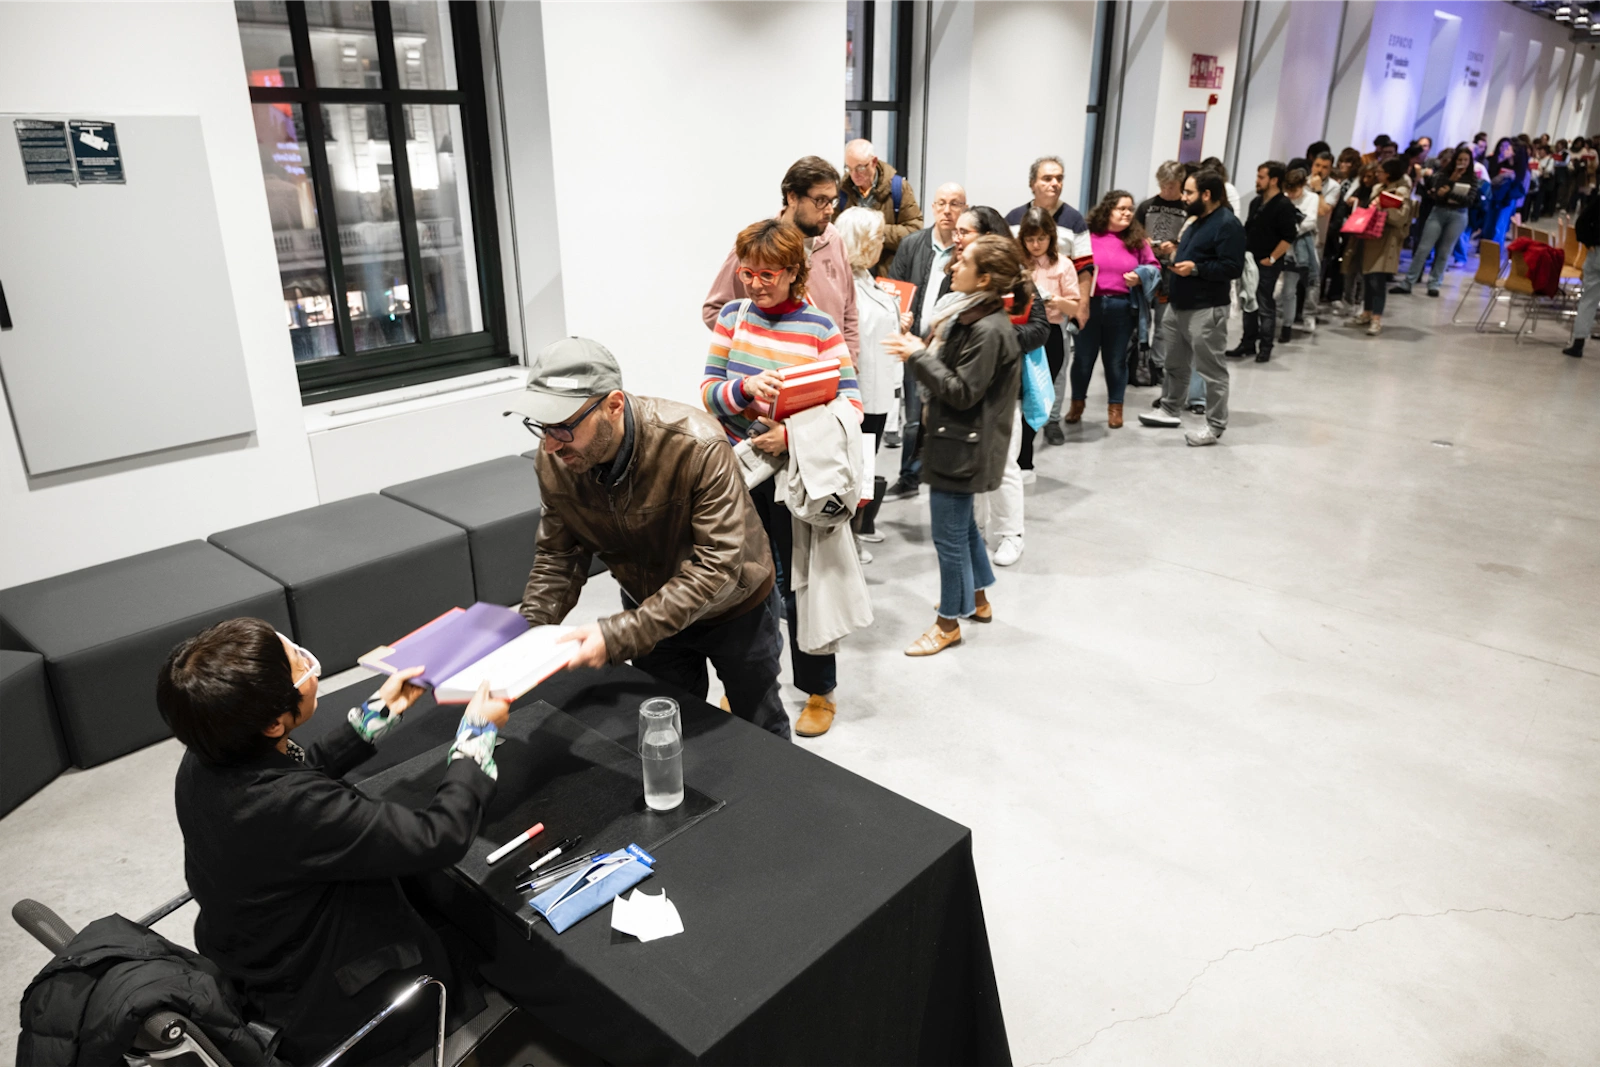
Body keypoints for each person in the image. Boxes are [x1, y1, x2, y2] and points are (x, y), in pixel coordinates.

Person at [163, 620, 510, 1065]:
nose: (309, 667)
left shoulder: (205, 758)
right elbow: (438, 837)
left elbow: (293, 776)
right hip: (334, 998)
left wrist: (371, 719)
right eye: (296, 669)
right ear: (273, 722)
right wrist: (476, 741)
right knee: (472, 925)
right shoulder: (291, 808)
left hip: (255, 961)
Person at [506, 337, 790, 738]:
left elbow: (717, 566)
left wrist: (618, 635)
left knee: (761, 726)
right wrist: (527, 634)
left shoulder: (697, 444)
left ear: (614, 405)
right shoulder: (556, 459)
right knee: (672, 730)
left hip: (735, 608)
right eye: (542, 427)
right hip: (649, 611)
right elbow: (559, 556)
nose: (550, 444)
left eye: (563, 427)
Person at [701, 220, 862, 738]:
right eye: (747, 272)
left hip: (794, 476)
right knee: (746, 586)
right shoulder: (733, 316)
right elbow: (707, 392)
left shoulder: (819, 328)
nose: (754, 283)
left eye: (767, 274)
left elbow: (851, 405)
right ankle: (751, 683)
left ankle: (818, 691)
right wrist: (745, 389)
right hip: (738, 472)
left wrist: (790, 437)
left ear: (794, 272)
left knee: (800, 586)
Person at [882, 235, 1026, 656]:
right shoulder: (971, 316)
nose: (952, 267)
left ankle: (948, 623)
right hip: (959, 442)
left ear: (984, 278)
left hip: (963, 447)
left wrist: (916, 356)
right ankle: (978, 601)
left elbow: (962, 392)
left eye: (962, 263)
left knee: (948, 539)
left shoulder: (986, 329)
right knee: (962, 529)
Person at [702, 156, 858, 362]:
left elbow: (850, 311)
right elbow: (714, 311)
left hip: (827, 378)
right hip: (772, 382)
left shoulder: (834, 240)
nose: (829, 210)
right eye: (820, 201)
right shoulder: (758, 245)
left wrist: (850, 362)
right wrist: (760, 350)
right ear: (792, 197)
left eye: (832, 201)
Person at [1141, 168, 1246, 447]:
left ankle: (1214, 425)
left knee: (1211, 370)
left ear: (1207, 194)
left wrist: (1196, 269)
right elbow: (1194, 252)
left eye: (1189, 192)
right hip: (1179, 305)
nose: (1184, 197)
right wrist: (1173, 252)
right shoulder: (1196, 219)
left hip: (1207, 309)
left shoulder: (1227, 224)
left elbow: (1232, 267)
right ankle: (1169, 408)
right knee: (1174, 363)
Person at [885, 182, 967, 500]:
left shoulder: (965, 250)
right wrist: (899, 316)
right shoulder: (912, 244)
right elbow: (893, 288)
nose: (947, 210)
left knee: (943, 416)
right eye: (941, 203)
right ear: (932, 207)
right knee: (913, 417)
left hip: (947, 346)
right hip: (913, 343)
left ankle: (941, 476)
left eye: (955, 204)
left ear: (964, 208)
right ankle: (909, 476)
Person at [834, 205, 902, 559]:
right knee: (852, 470)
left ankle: (855, 532)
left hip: (878, 392)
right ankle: (848, 539)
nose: (882, 243)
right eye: (876, 237)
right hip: (858, 395)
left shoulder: (868, 280)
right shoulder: (846, 288)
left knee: (864, 466)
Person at [1069, 190, 1157, 426]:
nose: (1128, 213)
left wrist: (1140, 276)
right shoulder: (1088, 236)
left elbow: (1154, 267)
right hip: (1090, 305)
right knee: (1083, 359)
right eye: (1122, 208)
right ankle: (1077, 404)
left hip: (1122, 307)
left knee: (1116, 360)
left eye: (1130, 208)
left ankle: (1115, 408)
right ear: (1108, 210)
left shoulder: (1137, 240)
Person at [1017, 206, 1081, 461]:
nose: (1035, 245)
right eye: (1030, 239)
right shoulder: (1018, 263)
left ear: (1051, 238)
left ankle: (1026, 453)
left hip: (1051, 333)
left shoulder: (1063, 265)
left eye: (1041, 238)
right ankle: (1015, 451)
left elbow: (1074, 306)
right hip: (1021, 332)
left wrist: (1056, 300)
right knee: (1018, 394)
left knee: (1040, 394)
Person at [1226, 161, 1299, 363]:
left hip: (1267, 263)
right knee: (1248, 301)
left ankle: (1265, 346)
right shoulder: (1256, 202)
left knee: (1265, 304)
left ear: (1274, 180)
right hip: (1250, 260)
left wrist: (1272, 258)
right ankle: (1248, 343)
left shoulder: (1284, 206)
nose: (1257, 181)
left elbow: (1288, 237)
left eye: (1261, 177)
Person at [1392, 147, 1478, 297]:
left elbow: (1469, 201)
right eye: (1459, 160)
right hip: (1439, 212)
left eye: (1465, 160)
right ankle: (1408, 282)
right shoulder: (1445, 174)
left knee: (1444, 251)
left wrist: (1449, 193)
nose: (1462, 163)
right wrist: (1451, 182)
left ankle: (1434, 283)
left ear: (1470, 162)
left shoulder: (1472, 178)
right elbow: (1437, 195)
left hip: (1458, 215)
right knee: (1423, 248)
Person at [1349, 157, 1412, 337]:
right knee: (1367, 277)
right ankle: (1367, 312)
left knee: (1377, 280)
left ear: (1389, 174)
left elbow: (1401, 217)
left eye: (1380, 172)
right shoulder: (1377, 189)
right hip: (1371, 237)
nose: (1377, 175)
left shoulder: (1401, 192)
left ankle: (1377, 317)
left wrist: (1384, 208)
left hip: (1386, 241)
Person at [1137, 161, 1191, 372]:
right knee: (1142, 320)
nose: (1167, 191)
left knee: (1164, 322)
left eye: (1172, 187)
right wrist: (1145, 242)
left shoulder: (1187, 209)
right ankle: (1139, 361)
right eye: (1163, 186)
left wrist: (1175, 245)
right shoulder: (1147, 206)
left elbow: (1192, 239)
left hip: (1172, 271)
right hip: (1147, 268)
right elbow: (1134, 233)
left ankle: (1157, 364)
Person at [839, 139, 923, 274]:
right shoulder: (843, 190)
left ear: (874, 162)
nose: (854, 175)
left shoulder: (898, 188)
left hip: (888, 272)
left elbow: (914, 231)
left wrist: (875, 232)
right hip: (851, 272)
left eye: (860, 168)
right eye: (849, 168)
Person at [1275, 168, 1321, 341]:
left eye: (1294, 190)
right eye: (1288, 190)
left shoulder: (1312, 198)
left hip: (1298, 252)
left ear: (1303, 185)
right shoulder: (1284, 198)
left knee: (1289, 291)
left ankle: (1287, 326)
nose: (1291, 194)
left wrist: (1289, 229)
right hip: (1281, 249)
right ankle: (1274, 321)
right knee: (1276, 290)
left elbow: (1310, 221)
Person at [1562, 185, 1600, 358]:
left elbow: (1582, 221)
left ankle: (1578, 343)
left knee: (1588, 300)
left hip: (1596, 253)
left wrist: (1588, 241)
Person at [1486, 137, 1528, 246]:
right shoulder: (1500, 161)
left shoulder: (1520, 167)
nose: (1505, 150)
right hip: (1496, 196)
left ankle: (1495, 250)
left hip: (1508, 198)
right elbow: (1492, 180)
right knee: (1490, 222)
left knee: (1500, 226)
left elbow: (1520, 185)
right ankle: (1486, 247)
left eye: (1508, 148)